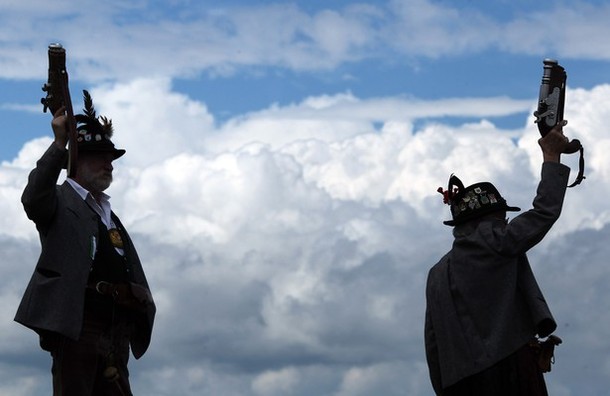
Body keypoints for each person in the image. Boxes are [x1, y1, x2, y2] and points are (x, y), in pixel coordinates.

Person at [15, 91, 156, 395]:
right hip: (78, 323)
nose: (110, 164)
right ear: (78, 160)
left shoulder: (108, 213)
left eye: (111, 158)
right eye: (101, 157)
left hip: (115, 328)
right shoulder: (59, 201)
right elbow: (33, 197)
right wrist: (59, 144)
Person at [424, 122, 572, 396]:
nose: (506, 221)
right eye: (502, 216)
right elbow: (544, 212)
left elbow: (433, 346)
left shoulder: (436, 274)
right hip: (511, 372)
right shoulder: (495, 240)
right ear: (491, 219)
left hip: (459, 384)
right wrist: (551, 156)